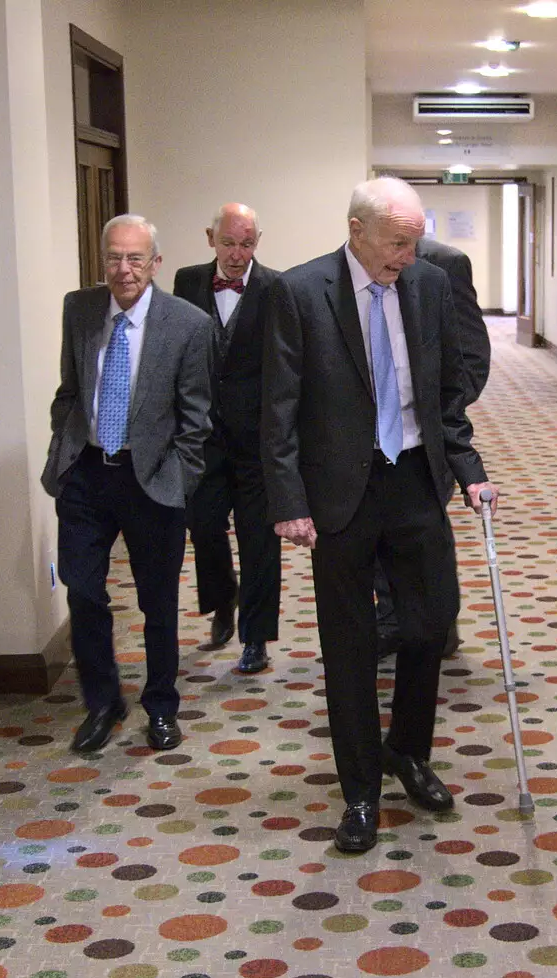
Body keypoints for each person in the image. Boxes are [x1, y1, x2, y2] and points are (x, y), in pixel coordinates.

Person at [263, 176, 498, 854]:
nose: (408, 253)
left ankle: (409, 750)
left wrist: (470, 472)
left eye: (414, 240)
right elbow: (277, 408)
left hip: (416, 477)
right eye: (398, 241)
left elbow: (446, 394)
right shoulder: (301, 292)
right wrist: (288, 500)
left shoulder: (427, 285)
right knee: (351, 645)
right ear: (358, 230)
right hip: (340, 489)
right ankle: (360, 789)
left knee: (428, 626)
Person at [41, 214, 213, 754]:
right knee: (84, 590)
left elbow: (197, 419)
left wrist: (178, 480)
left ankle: (161, 705)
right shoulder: (80, 308)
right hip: (87, 474)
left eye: (135, 258)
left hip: (153, 479)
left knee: (157, 600)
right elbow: (70, 389)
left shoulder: (187, 323)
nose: (124, 269)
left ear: (155, 263)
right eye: (114, 257)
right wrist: (64, 447)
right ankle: (102, 701)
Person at [172, 203, 282, 675]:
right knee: (204, 525)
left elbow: (285, 364)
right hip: (202, 436)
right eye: (229, 243)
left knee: (260, 537)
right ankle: (222, 601)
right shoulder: (187, 281)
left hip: (259, 438)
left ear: (258, 241)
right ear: (210, 238)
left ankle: (255, 637)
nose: (237, 255)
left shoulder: (277, 288)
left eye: (247, 244)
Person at [375, 234, 492, 659]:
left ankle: (439, 629)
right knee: (377, 538)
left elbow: (473, 354)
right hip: (371, 441)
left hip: (429, 438)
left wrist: (442, 403)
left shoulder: (446, 264)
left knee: (425, 539)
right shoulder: (357, 263)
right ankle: (390, 623)